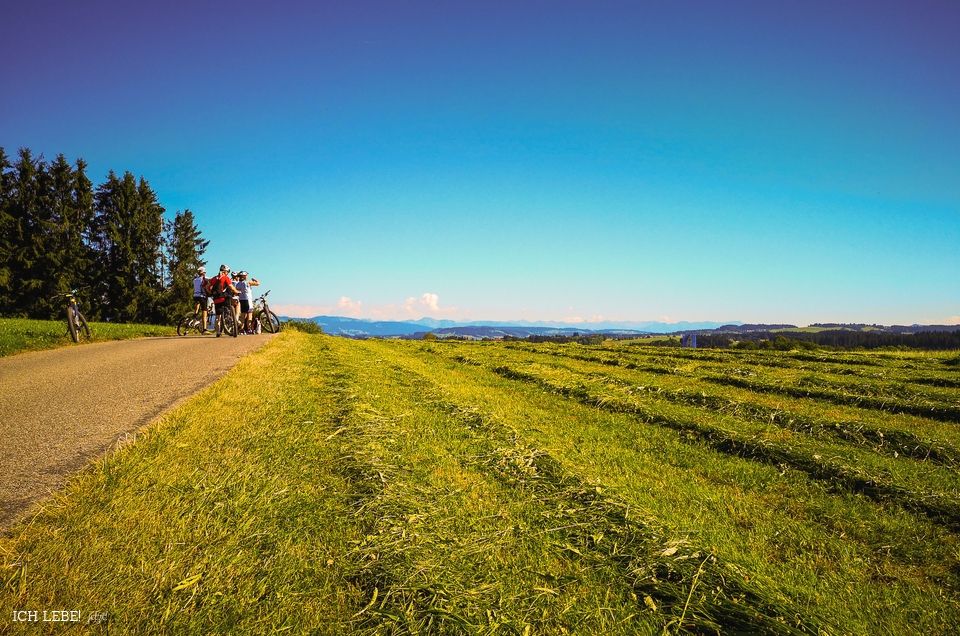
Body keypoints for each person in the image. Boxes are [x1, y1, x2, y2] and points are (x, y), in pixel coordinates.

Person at [205, 264, 239, 337]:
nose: (228, 273)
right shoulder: (226, 278)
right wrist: (236, 291)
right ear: (225, 271)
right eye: (227, 272)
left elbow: (207, 287)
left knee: (218, 317)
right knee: (229, 306)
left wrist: (210, 293)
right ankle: (228, 316)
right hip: (224, 298)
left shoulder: (213, 278)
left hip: (216, 299)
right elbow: (231, 286)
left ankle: (218, 332)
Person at [192, 266, 208, 333]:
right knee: (204, 311)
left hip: (195, 296)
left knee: (197, 307)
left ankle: (194, 317)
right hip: (202, 296)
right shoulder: (205, 279)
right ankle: (204, 329)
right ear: (204, 272)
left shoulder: (195, 280)